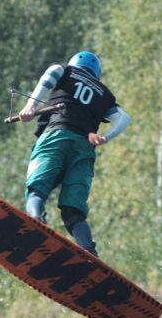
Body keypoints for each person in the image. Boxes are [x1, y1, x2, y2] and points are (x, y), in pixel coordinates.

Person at [16, 51, 132, 258]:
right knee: (73, 210)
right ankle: (89, 251)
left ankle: (37, 221)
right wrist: (106, 137)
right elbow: (124, 119)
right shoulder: (104, 94)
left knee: (37, 191)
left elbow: (51, 73)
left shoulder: (65, 71)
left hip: (56, 138)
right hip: (84, 149)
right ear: (96, 74)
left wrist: (31, 105)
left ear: (74, 64)